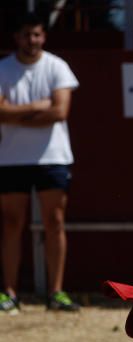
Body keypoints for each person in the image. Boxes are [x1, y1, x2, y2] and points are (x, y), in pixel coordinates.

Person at [0, 12, 80, 314]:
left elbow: (60, 112)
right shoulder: (3, 68)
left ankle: (56, 293)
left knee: (55, 222)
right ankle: (9, 293)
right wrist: (36, 107)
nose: (31, 41)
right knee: (10, 224)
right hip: (10, 158)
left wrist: (15, 113)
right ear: (16, 38)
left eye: (36, 35)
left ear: (43, 36)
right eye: (25, 35)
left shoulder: (57, 66)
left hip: (52, 156)